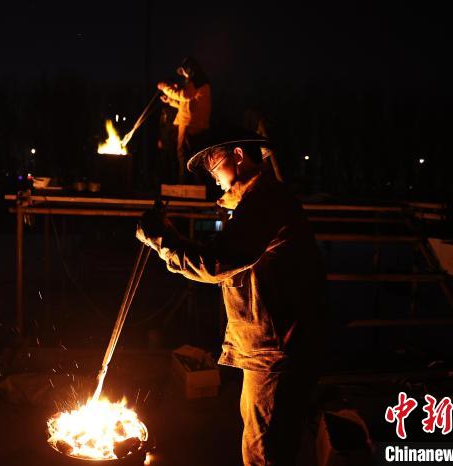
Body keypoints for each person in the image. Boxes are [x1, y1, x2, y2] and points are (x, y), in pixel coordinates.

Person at [135, 128, 327, 466]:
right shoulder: (257, 202)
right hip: (270, 349)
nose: (212, 175)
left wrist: (163, 241)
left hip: (277, 353)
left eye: (212, 162)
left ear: (237, 155)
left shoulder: (265, 201)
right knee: (265, 445)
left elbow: (216, 262)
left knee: (265, 455)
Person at [157, 57, 212, 183]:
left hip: (189, 125)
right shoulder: (201, 83)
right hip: (198, 124)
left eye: (185, 72)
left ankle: (185, 185)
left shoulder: (196, 82)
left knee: (183, 154)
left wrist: (165, 87)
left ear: (190, 70)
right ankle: (196, 186)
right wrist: (170, 100)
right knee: (195, 155)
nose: (184, 75)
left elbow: (184, 95)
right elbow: (187, 103)